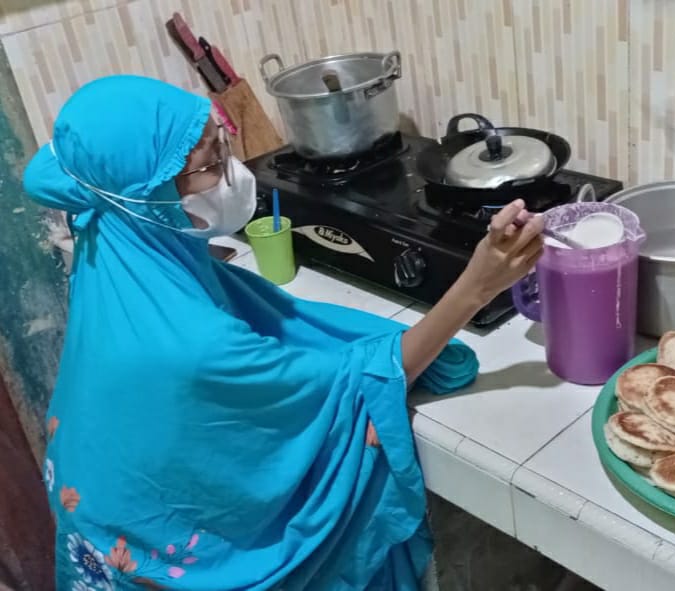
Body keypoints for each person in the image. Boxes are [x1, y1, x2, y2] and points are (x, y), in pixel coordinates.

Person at [23, 75, 545, 590]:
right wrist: (475, 287)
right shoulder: (193, 348)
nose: (230, 174)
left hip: (93, 500)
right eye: (209, 165)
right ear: (147, 193)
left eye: (221, 146)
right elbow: (352, 388)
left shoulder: (113, 237)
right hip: (143, 558)